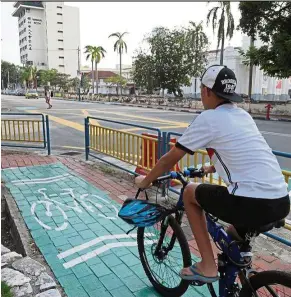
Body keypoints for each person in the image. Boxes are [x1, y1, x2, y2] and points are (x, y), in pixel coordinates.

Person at [135, 65, 290, 283]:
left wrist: (145, 181)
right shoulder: (243, 116)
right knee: (233, 234)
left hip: (251, 203)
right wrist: (211, 168)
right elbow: (243, 152)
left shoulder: (209, 118)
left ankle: (208, 266)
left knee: (189, 192)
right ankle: (243, 278)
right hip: (281, 201)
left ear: (207, 91)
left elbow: (170, 159)